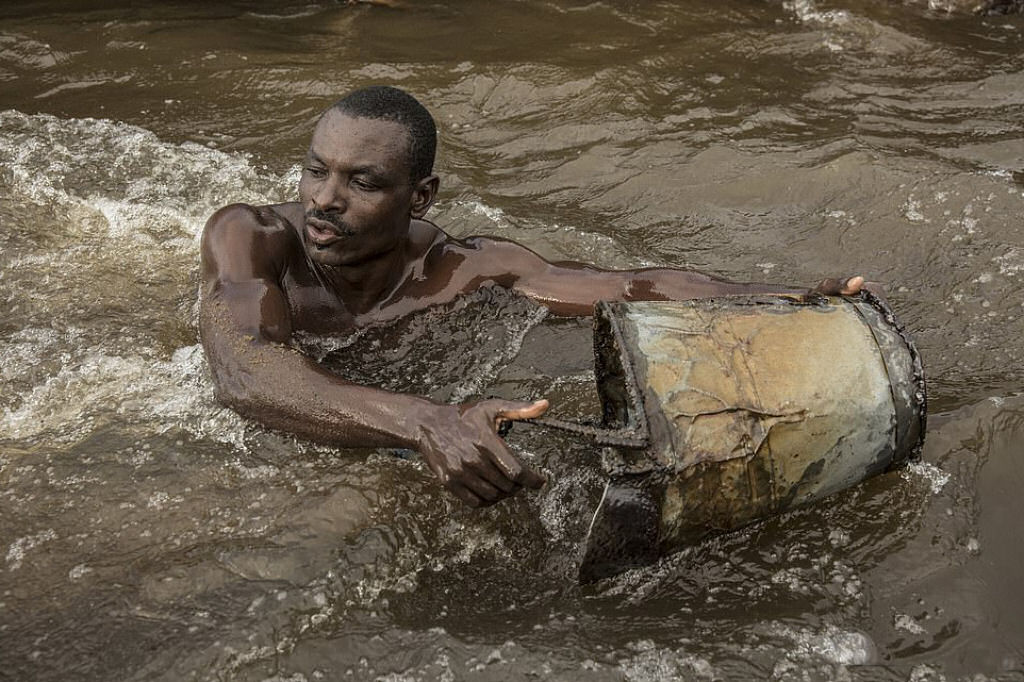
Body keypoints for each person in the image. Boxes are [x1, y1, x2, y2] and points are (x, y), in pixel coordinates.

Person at [199, 85, 868, 508]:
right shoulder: (251, 238)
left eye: (361, 182)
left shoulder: (464, 268)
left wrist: (781, 297)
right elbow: (245, 369)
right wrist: (427, 421)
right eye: (316, 171)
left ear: (422, 197)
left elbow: (629, 286)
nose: (323, 200)